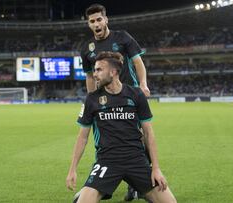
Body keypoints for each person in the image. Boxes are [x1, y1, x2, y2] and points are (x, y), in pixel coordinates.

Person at [66, 52, 177, 203]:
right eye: (94, 70)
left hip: (136, 160)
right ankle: (92, 191)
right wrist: (72, 169)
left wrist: (156, 168)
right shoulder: (92, 99)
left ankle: (140, 188)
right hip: (107, 161)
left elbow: (148, 133)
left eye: (99, 70)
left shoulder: (136, 94)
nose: (95, 74)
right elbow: (82, 137)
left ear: (113, 72)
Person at [80, 4, 151, 201]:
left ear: (106, 19)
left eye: (99, 19)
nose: (96, 24)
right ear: (89, 24)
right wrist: (90, 98)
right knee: (103, 139)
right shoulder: (86, 48)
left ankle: (138, 182)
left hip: (129, 96)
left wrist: (143, 84)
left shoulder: (123, 37)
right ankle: (101, 182)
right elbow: (88, 76)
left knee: (138, 137)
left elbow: (137, 62)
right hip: (103, 101)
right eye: (92, 21)